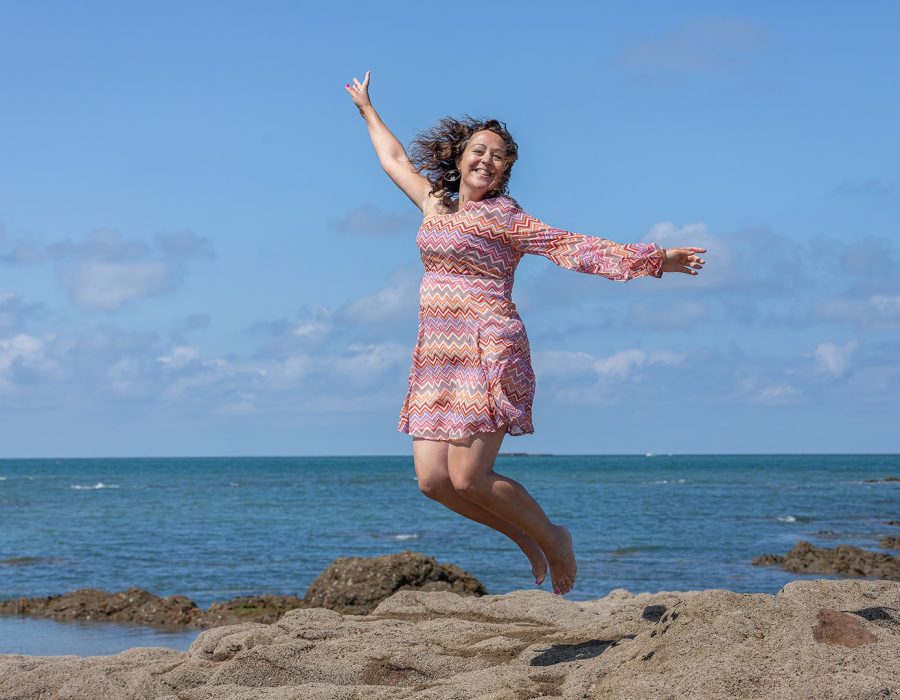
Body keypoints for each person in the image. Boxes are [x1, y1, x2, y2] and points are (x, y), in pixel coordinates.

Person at [345, 70, 706, 596]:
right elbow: (395, 160)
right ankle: (524, 538)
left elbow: (571, 246)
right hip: (438, 357)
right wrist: (367, 111)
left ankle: (555, 538)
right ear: (460, 156)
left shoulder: (507, 217)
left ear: (506, 169)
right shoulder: (435, 204)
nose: (486, 160)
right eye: (479, 150)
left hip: (488, 345)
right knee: (433, 481)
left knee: (469, 477)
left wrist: (655, 261)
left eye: (498, 156)